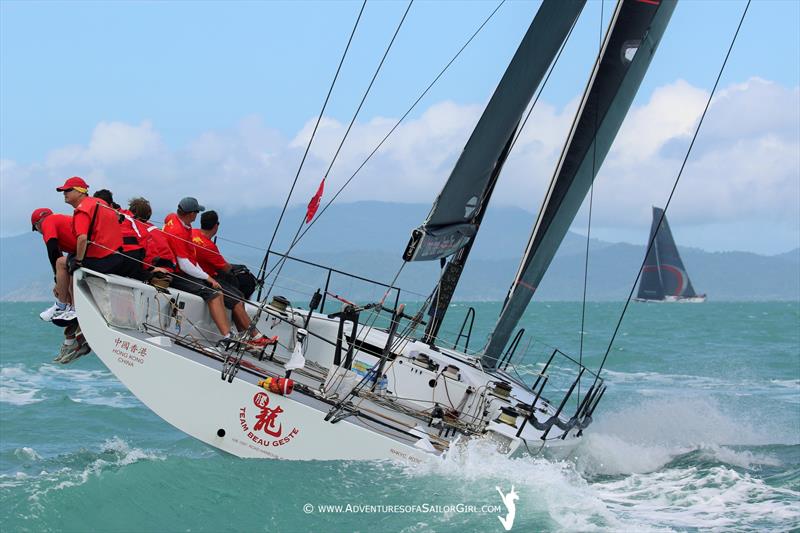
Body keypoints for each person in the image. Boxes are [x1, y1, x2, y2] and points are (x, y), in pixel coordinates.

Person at [163, 198, 272, 347]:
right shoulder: (197, 241)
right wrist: (208, 277)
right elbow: (186, 264)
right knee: (228, 295)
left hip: (191, 269)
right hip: (181, 272)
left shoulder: (179, 223)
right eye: (196, 211)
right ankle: (236, 336)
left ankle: (243, 335)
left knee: (230, 293)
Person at [30, 208, 75, 320]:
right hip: (92, 250)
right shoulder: (60, 220)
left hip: (92, 252)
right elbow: (58, 252)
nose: (40, 233)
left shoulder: (48, 222)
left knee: (61, 263)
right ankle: (70, 307)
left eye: (35, 229)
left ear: (38, 224)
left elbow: (53, 250)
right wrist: (60, 282)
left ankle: (63, 306)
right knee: (68, 268)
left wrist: (58, 282)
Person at [93, 189, 147, 280]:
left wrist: (144, 266)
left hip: (124, 259)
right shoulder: (128, 216)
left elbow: (143, 237)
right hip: (129, 258)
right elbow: (144, 237)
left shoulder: (127, 217)